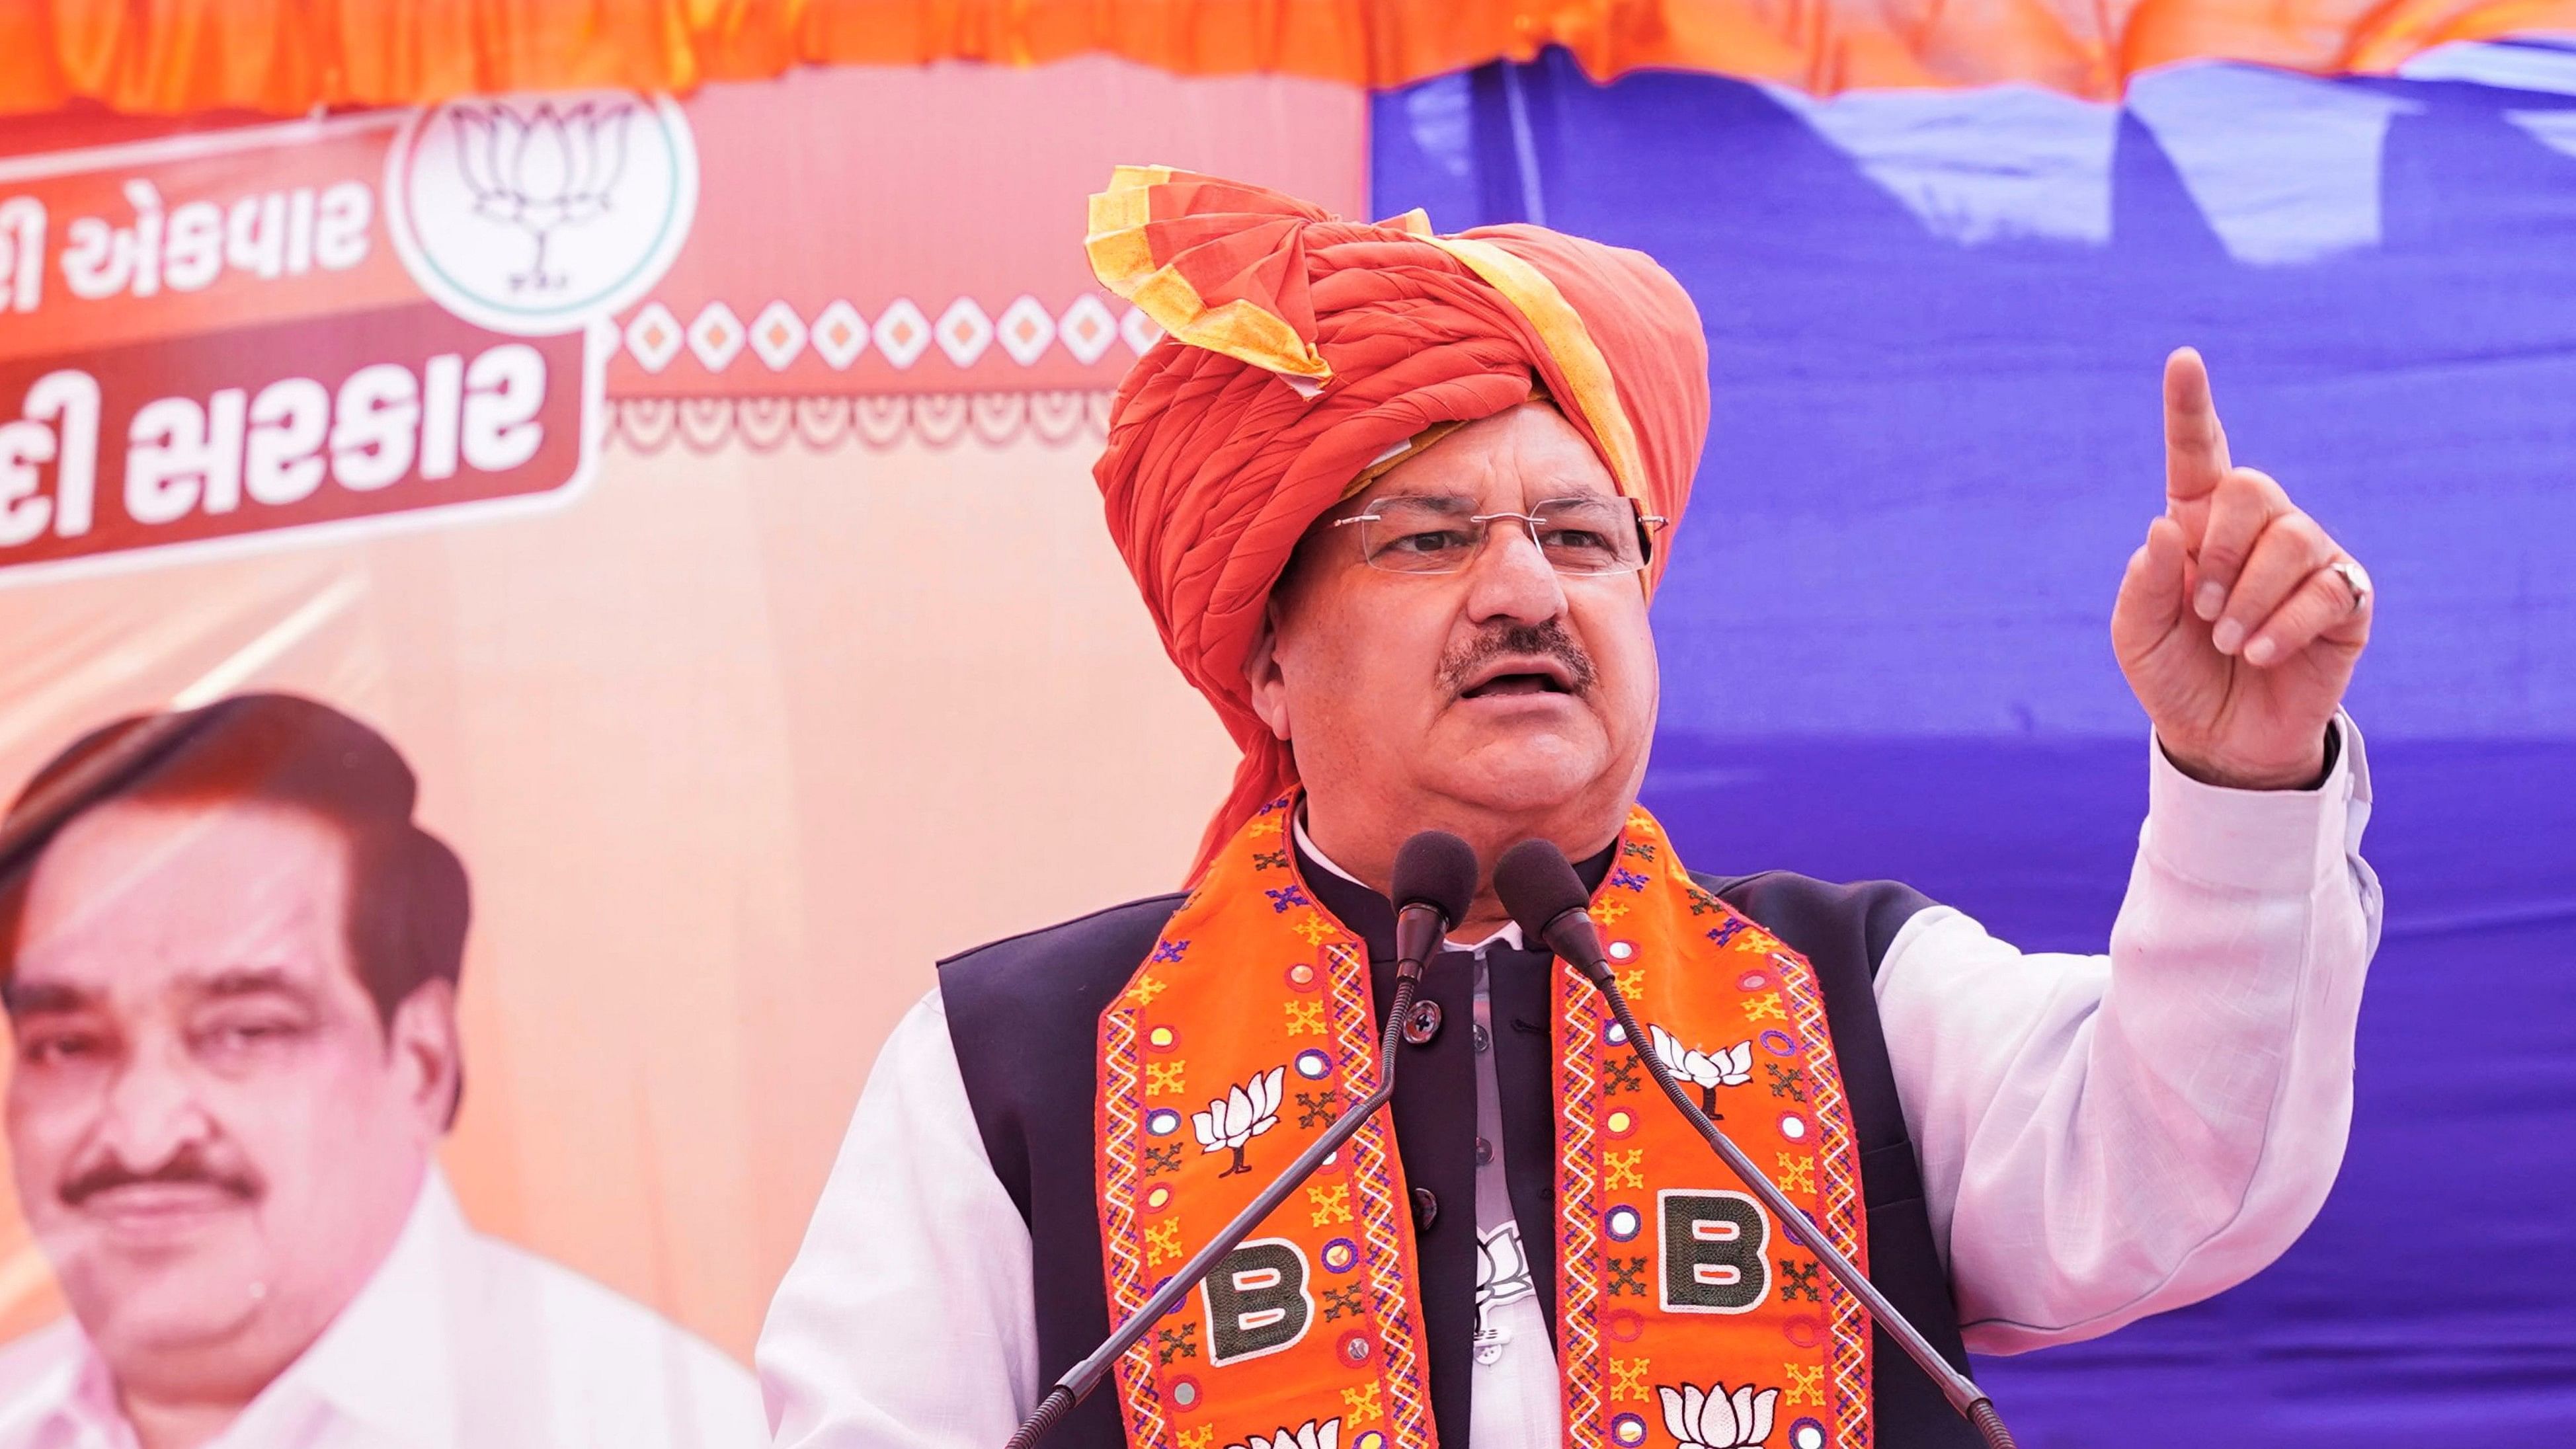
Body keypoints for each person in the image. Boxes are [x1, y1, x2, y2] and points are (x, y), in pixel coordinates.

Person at [758, 170, 2380, 1449]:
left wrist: (2238, 781)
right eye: (1428, 537)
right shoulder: (1018, 1063)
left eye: (1583, 536)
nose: (1525, 588)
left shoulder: (1848, 994)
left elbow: (2180, 1178)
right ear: (1262, 658)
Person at [0, 693, 765, 1449]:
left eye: (245, 1031)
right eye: (67, 1044)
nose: (142, 1131)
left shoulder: (659, 1428)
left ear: (423, 1065)